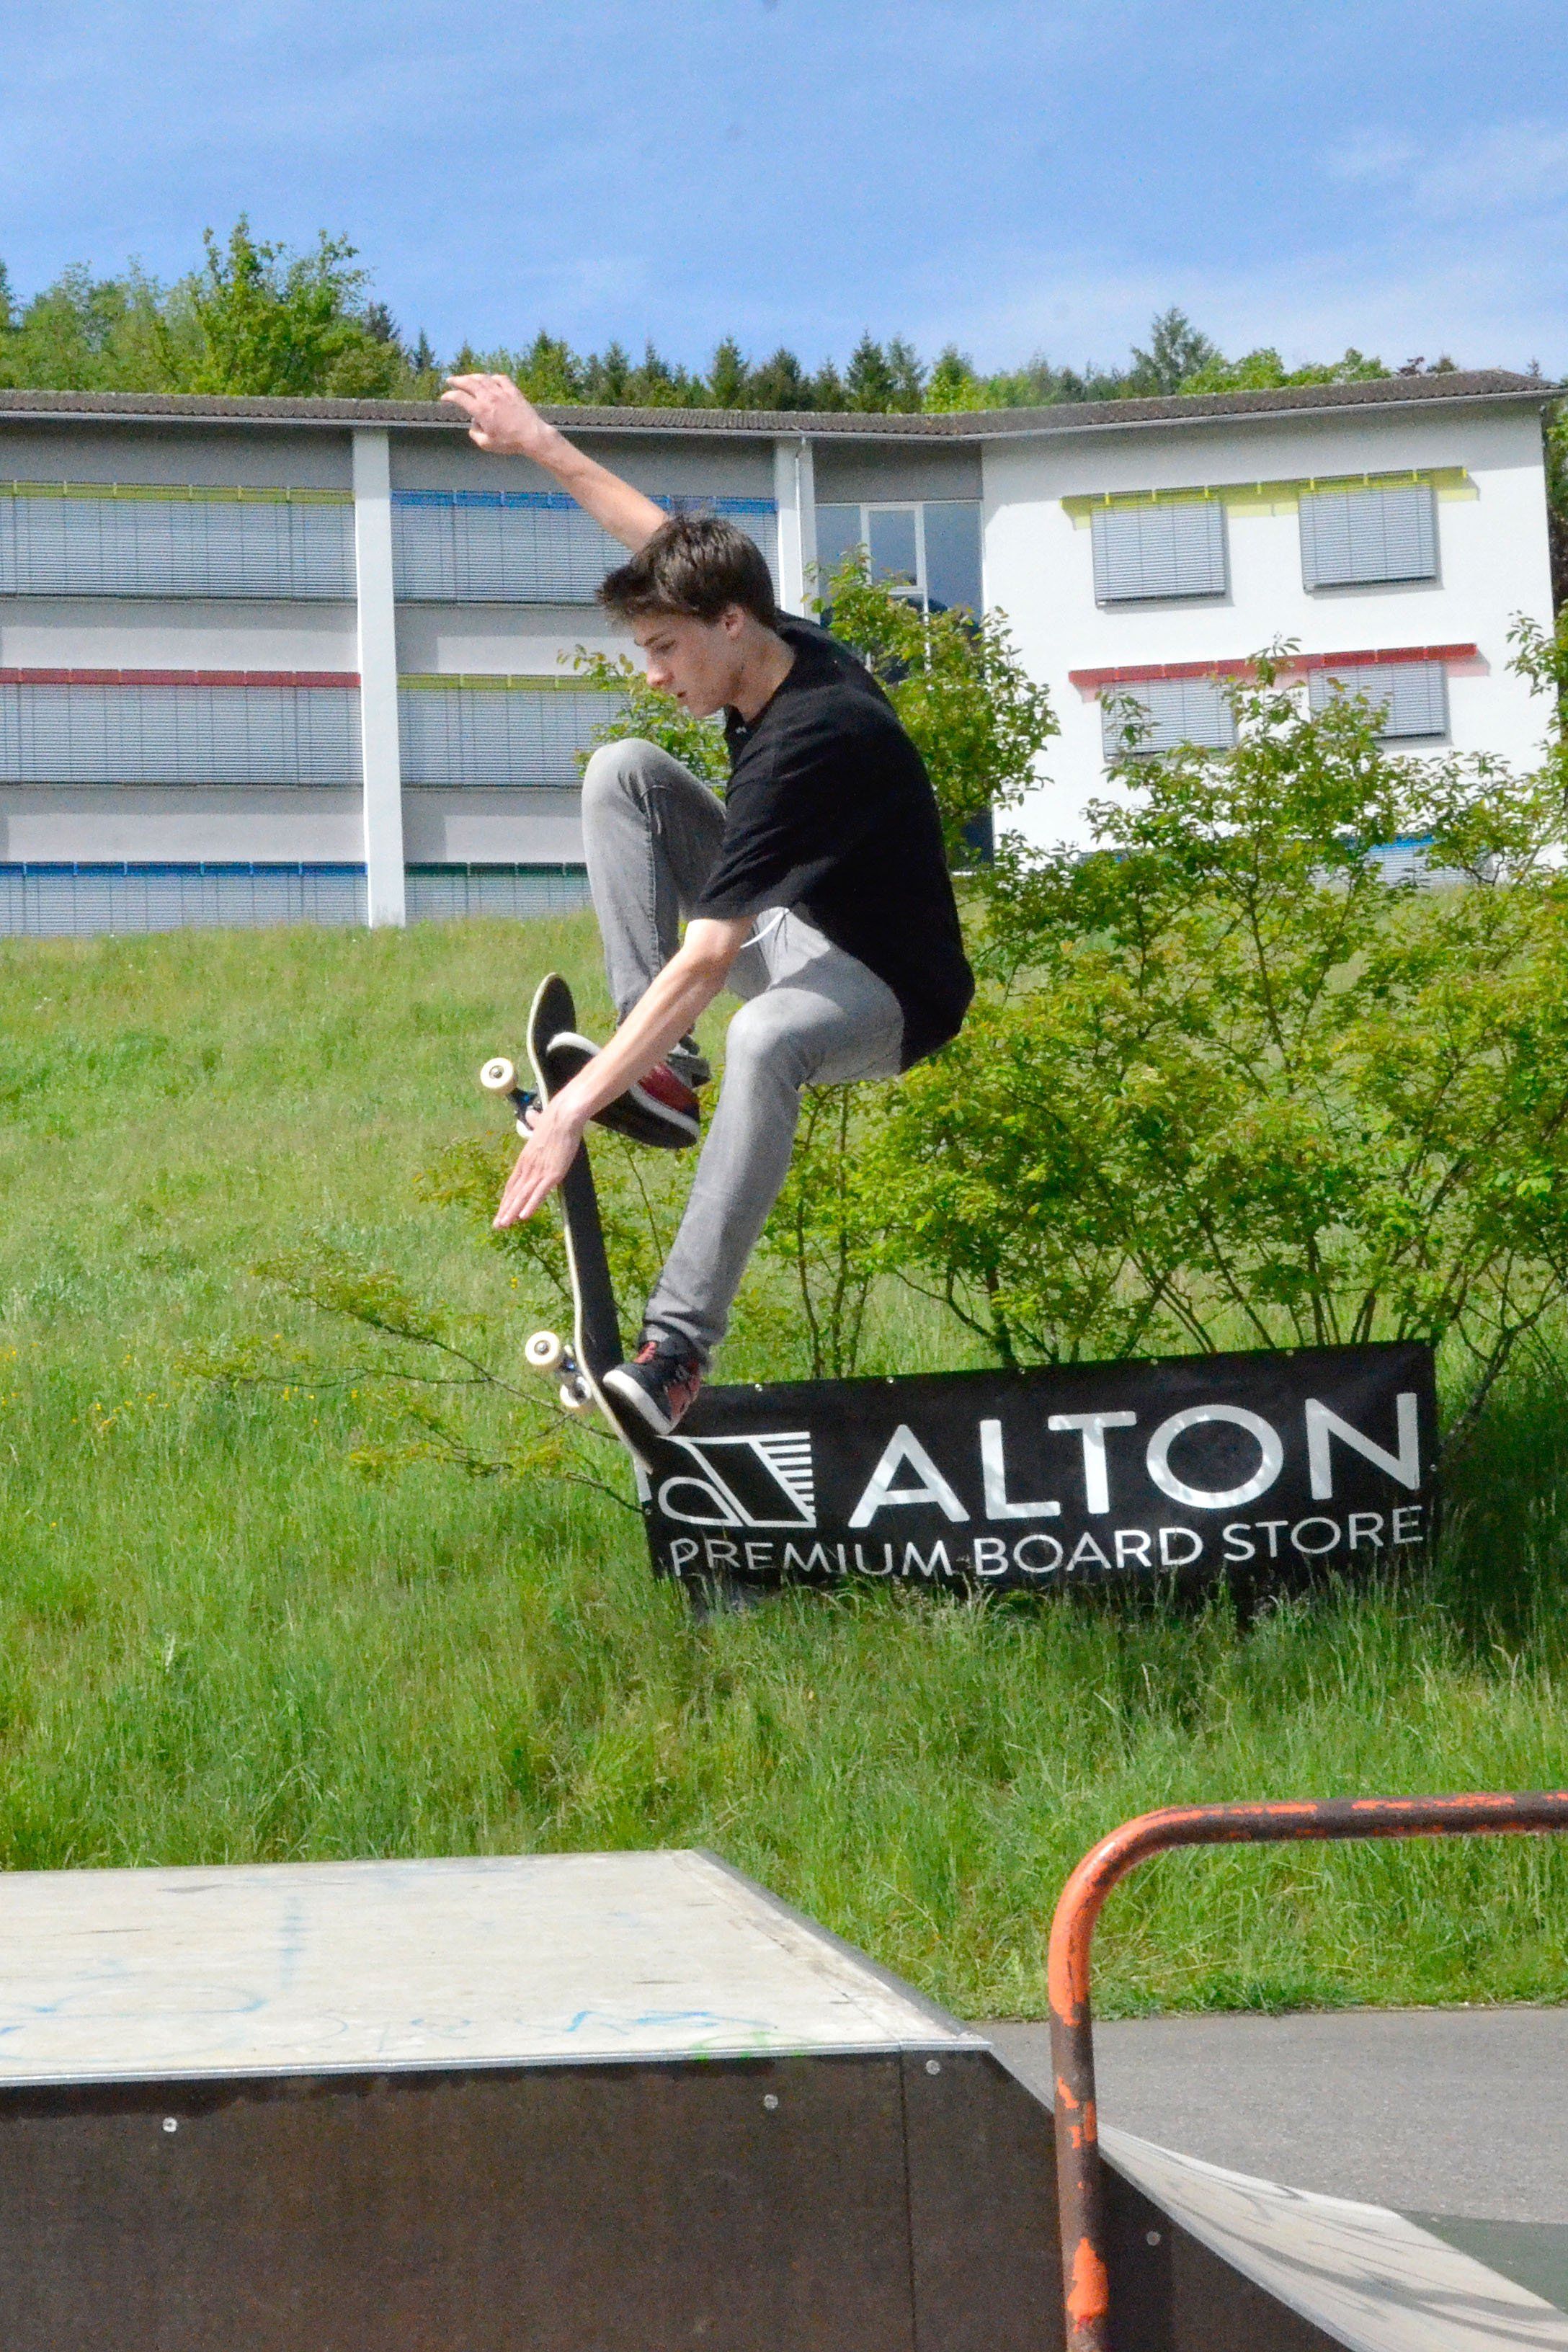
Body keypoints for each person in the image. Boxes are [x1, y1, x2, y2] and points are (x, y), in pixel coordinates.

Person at [440, 373, 975, 1436]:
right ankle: (667, 1078)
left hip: (892, 992)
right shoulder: (759, 628)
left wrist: (574, 1109)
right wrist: (539, 441)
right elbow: (655, 538)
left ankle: (678, 1349)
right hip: (804, 927)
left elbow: (705, 962)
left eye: (665, 651)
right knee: (625, 770)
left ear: (730, 625)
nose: (655, 674)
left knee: (765, 1032)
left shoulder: (810, 741)